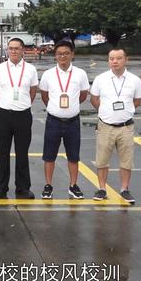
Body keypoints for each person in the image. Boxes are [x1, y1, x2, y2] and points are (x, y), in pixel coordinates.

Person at [90, 49, 141, 204]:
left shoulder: (134, 80)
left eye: (119, 58)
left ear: (126, 59)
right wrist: (105, 112)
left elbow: (137, 100)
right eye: (111, 58)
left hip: (126, 127)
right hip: (105, 125)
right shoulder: (101, 79)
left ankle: (124, 189)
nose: (115, 61)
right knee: (102, 160)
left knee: (126, 160)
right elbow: (94, 99)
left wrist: (126, 111)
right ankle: (102, 189)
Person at [38, 40, 90, 199]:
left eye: (66, 53)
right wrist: (57, 108)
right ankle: (48, 185)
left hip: (73, 121)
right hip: (53, 121)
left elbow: (82, 96)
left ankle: (73, 185)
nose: (63, 56)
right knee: (49, 155)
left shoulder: (80, 74)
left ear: (72, 54)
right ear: (55, 56)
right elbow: (45, 96)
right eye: (60, 53)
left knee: (73, 156)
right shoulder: (48, 74)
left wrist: (70, 107)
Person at [0, 38, 38, 199]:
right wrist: (5, 103)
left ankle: (23, 187)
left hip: (23, 114)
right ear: (7, 50)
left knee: (22, 152)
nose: (13, 51)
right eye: (11, 48)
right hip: (4, 114)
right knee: (2, 152)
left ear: (22, 49)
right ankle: (0, 187)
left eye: (17, 48)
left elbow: (32, 91)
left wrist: (23, 104)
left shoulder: (30, 69)